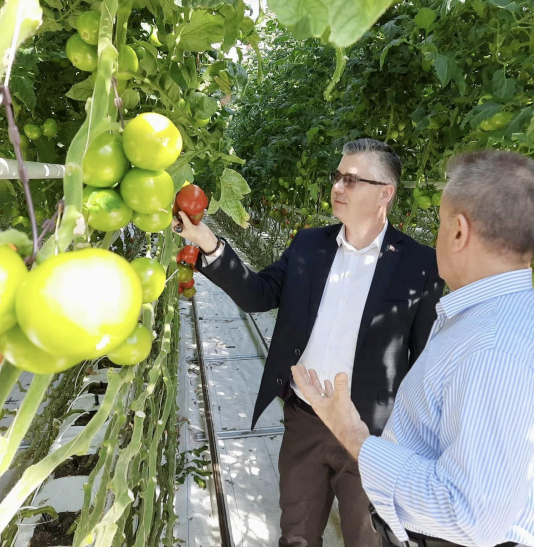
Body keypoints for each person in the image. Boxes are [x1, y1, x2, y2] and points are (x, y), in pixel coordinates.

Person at [292, 149, 534, 547]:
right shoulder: (496, 318)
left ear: (458, 231)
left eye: (441, 223)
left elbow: (467, 514)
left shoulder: (495, 350)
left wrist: (354, 435)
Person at [172, 138, 443, 547]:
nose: (337, 186)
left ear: (385, 193)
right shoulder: (309, 245)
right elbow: (258, 295)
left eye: (351, 180)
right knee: (296, 534)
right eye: (337, 176)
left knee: (368, 539)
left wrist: (418, 446)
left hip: (372, 435)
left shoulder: (420, 265)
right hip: (305, 418)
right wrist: (209, 243)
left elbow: (425, 360)